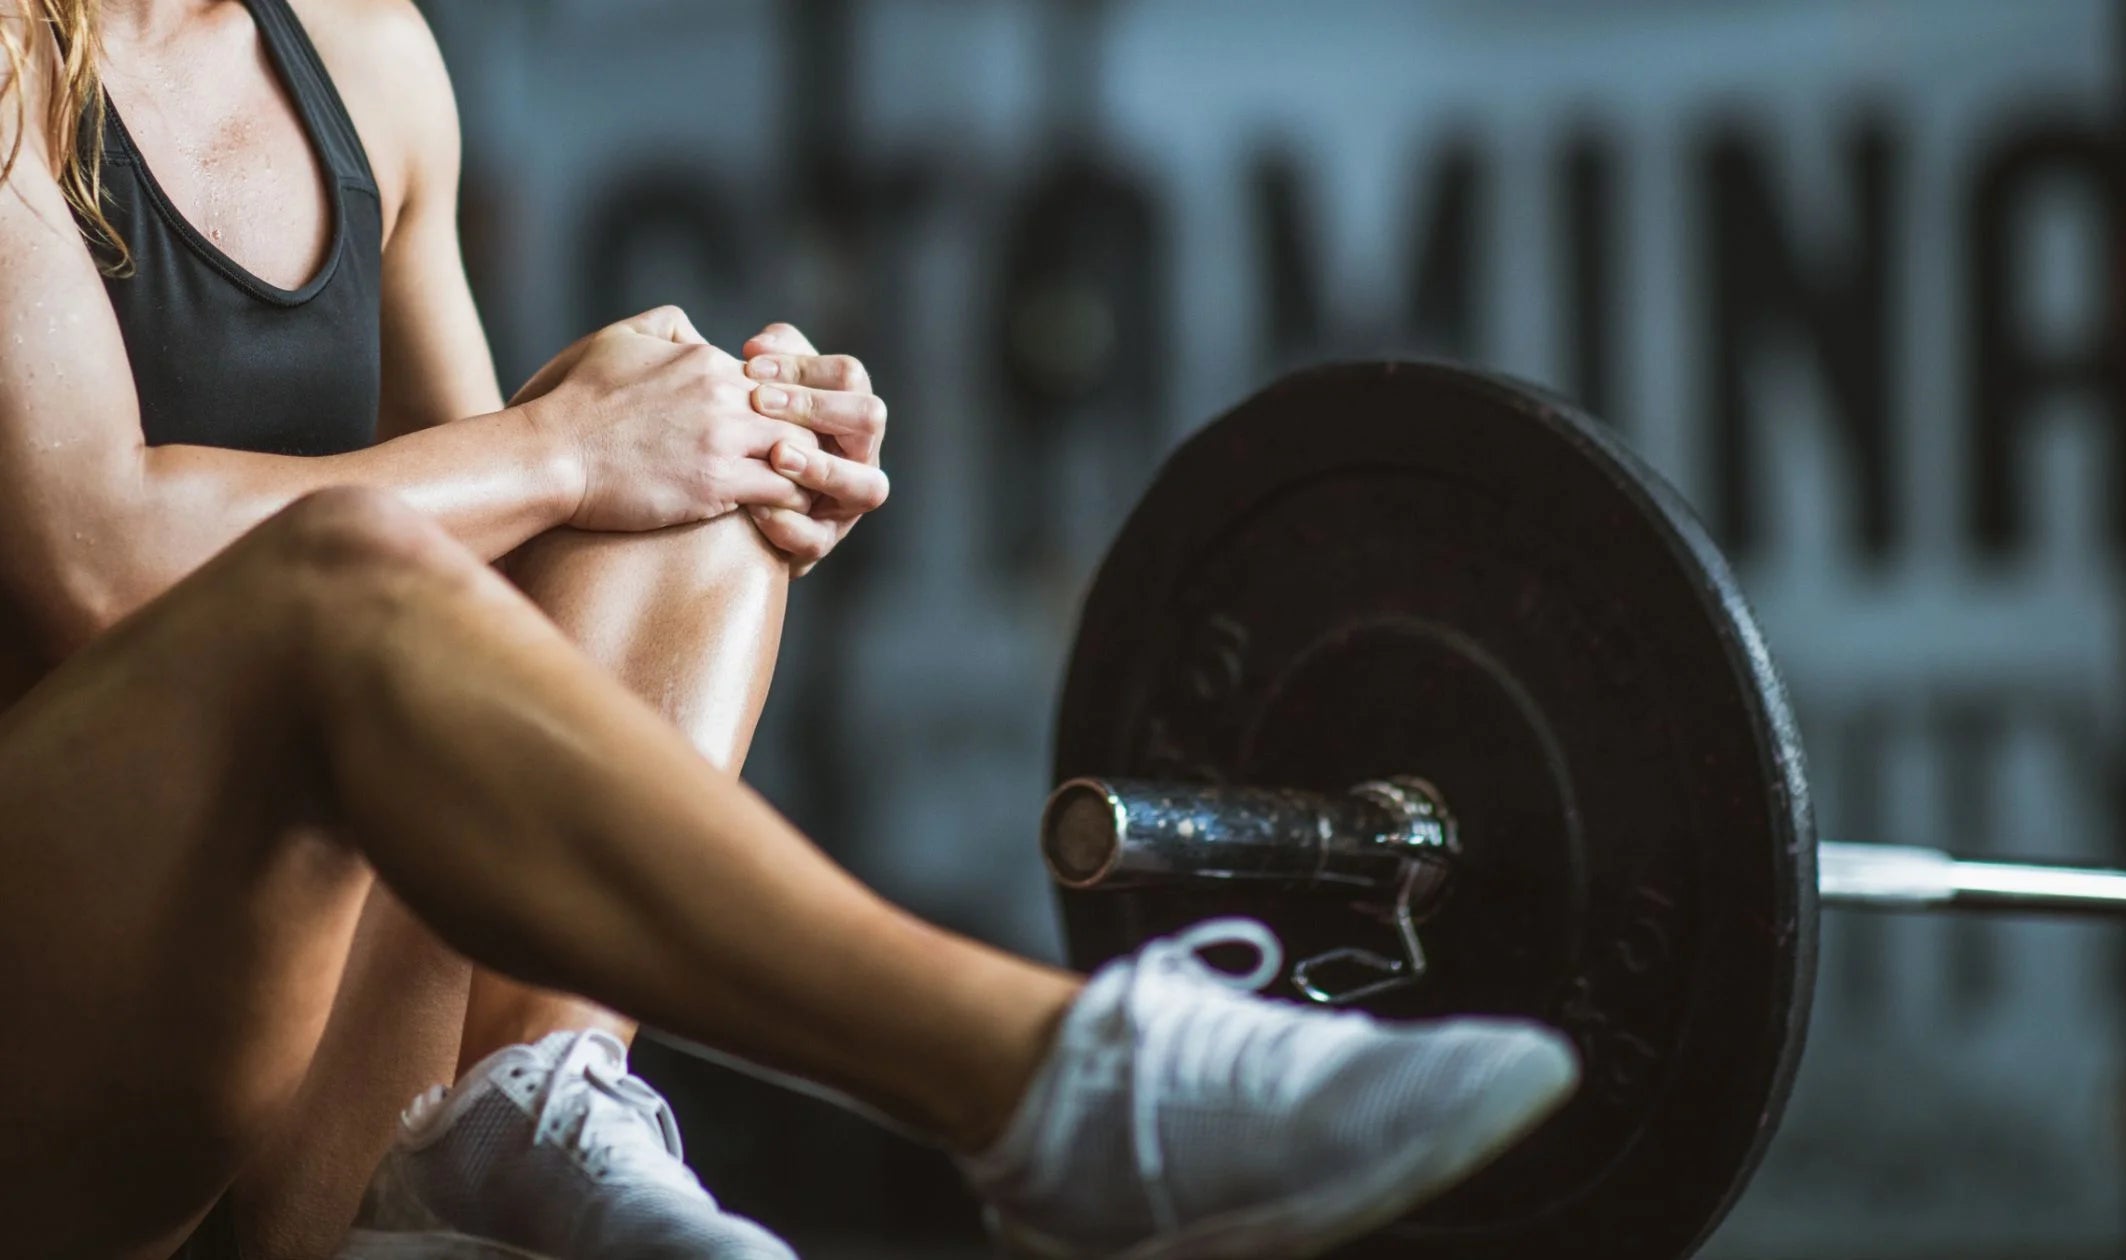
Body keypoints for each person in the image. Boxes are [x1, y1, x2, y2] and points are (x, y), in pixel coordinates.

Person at [0, 3, 1581, 1259]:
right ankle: (1055, 1085)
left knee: (702, 453)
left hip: (301, 1107)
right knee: (383, 555)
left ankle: (501, 1127)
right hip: (53, 1079)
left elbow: (474, 627)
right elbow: (96, 555)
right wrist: (567, 445)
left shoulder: (368, 59)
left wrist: (714, 443)